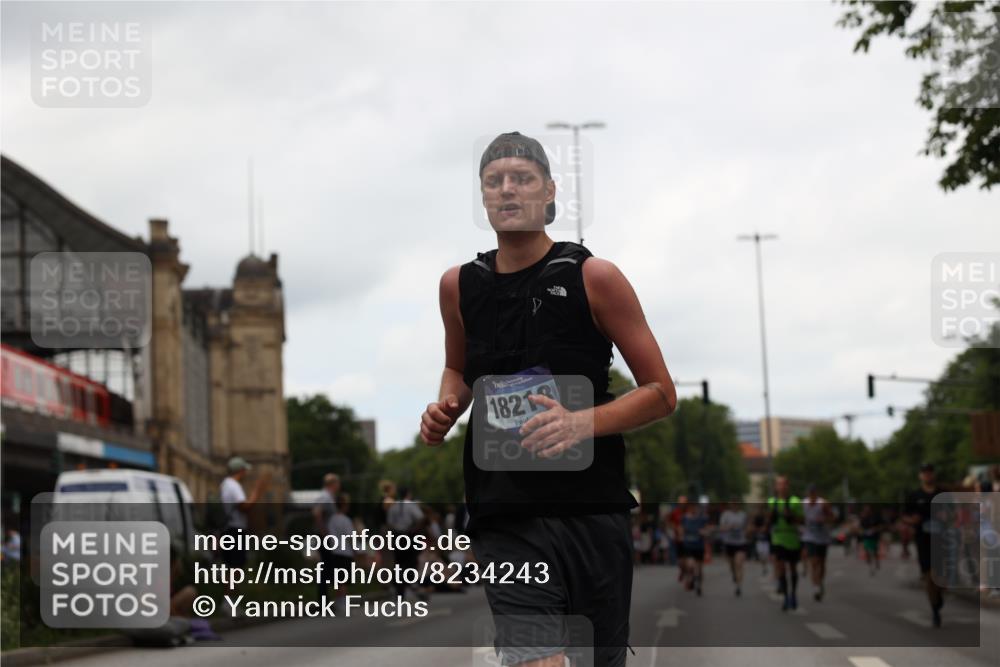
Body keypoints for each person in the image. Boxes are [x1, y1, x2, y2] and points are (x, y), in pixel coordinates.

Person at [420, 131, 676, 667]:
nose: (507, 190)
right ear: (483, 197)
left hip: (590, 508)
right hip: (503, 508)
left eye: (522, 179)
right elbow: (459, 369)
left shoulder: (594, 278)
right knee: (539, 660)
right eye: (494, 181)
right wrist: (446, 404)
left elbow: (660, 394)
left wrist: (581, 423)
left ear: (549, 192)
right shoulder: (457, 286)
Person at [904, 462, 946, 627]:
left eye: (930, 472)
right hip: (923, 540)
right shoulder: (915, 496)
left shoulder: (942, 493)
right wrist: (912, 520)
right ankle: (935, 610)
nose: (927, 475)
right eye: (924, 473)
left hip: (942, 539)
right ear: (920, 476)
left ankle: (939, 596)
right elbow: (904, 516)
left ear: (933, 474)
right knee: (929, 576)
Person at [218, 456, 270, 568]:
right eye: (244, 470)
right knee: (236, 564)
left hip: (228, 528)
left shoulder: (225, 484)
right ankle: (231, 586)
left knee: (230, 564)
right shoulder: (234, 486)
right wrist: (257, 491)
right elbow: (244, 506)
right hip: (236, 530)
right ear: (240, 471)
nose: (246, 473)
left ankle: (230, 585)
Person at [766, 475, 803, 611]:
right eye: (779, 484)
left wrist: (791, 516)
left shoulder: (794, 501)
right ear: (776, 487)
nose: (781, 487)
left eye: (784, 484)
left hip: (792, 538)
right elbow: (769, 520)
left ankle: (793, 594)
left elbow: (801, 520)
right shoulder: (772, 502)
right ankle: (786, 596)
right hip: (778, 538)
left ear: (788, 486)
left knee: (792, 568)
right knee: (781, 567)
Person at [386, 486, 426, 601]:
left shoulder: (393, 506)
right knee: (410, 562)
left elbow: (389, 523)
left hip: (397, 535)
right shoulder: (411, 505)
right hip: (408, 534)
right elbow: (420, 518)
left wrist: (396, 531)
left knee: (399, 564)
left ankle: (400, 590)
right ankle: (410, 586)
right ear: (408, 494)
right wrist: (413, 529)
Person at [801, 484, 833, 601]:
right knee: (814, 562)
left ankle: (820, 582)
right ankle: (816, 587)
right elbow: (799, 517)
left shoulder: (823, 504)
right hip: (809, 537)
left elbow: (832, 518)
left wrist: (824, 519)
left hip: (823, 537)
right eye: (810, 495)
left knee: (822, 563)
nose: (812, 498)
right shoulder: (803, 504)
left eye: (814, 495)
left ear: (817, 494)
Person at [679, 503, 710, 596]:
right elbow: (681, 529)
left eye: (695, 507)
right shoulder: (684, 518)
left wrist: (703, 532)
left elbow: (707, 531)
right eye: (692, 507)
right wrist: (681, 535)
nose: (693, 509)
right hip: (688, 546)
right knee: (690, 565)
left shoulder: (702, 519)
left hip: (699, 547)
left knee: (699, 569)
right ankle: (692, 578)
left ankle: (699, 586)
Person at [719, 500, 749, 597]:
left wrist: (747, 531)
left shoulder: (743, 515)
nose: (735, 506)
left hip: (741, 543)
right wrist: (729, 527)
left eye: (736, 504)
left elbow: (747, 527)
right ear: (730, 505)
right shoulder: (726, 515)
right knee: (732, 565)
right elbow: (721, 528)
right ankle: (734, 575)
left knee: (739, 564)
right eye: (733, 504)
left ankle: (738, 587)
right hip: (729, 543)